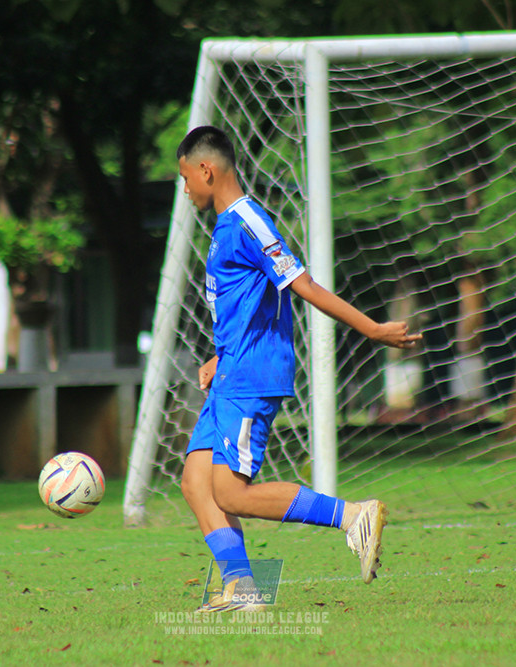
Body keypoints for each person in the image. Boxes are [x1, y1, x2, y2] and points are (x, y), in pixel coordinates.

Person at [177, 126, 422, 612]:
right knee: (195, 480)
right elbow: (247, 305)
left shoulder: (247, 220)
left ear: (207, 170)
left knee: (230, 492)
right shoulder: (226, 225)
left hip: (251, 375)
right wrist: (219, 354)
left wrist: (372, 329)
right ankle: (241, 590)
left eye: (186, 179)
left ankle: (353, 515)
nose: (186, 190)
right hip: (232, 368)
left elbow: (301, 283)